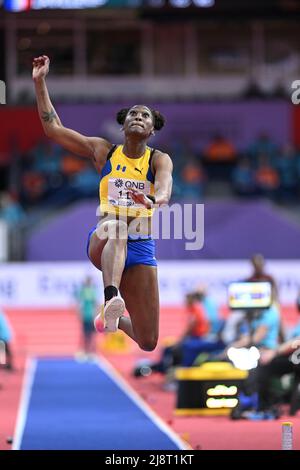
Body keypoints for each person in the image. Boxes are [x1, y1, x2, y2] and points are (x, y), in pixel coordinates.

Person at [32, 55, 173, 352]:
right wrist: (39, 81)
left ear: (152, 130)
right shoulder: (104, 152)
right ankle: (111, 298)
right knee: (118, 227)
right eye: (133, 114)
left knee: (148, 341)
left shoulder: (158, 159)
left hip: (142, 245)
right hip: (104, 239)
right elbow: (54, 129)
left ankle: (111, 318)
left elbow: (164, 188)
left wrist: (152, 199)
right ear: (122, 125)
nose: (138, 117)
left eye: (145, 116)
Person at [75, 276, 98, 357]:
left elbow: (95, 304)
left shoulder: (92, 291)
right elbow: (79, 304)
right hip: (86, 315)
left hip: (91, 315)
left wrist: (96, 315)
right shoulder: (83, 291)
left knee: (92, 334)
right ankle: (85, 350)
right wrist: (79, 314)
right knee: (85, 334)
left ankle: (92, 351)